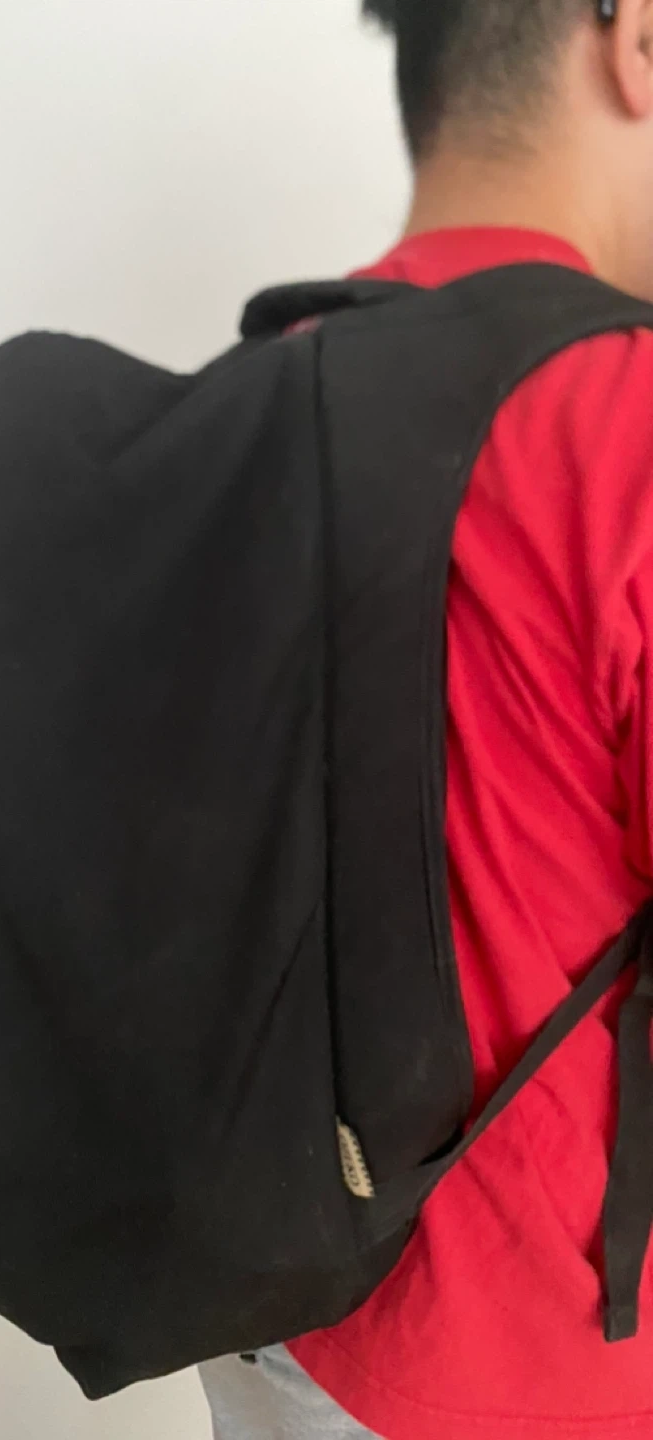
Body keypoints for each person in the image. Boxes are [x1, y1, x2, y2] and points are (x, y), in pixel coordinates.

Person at [199, 1, 653, 1437]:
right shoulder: (628, 420)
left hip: (259, 1306)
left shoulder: (254, 386)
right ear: (635, 41)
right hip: (539, 1362)